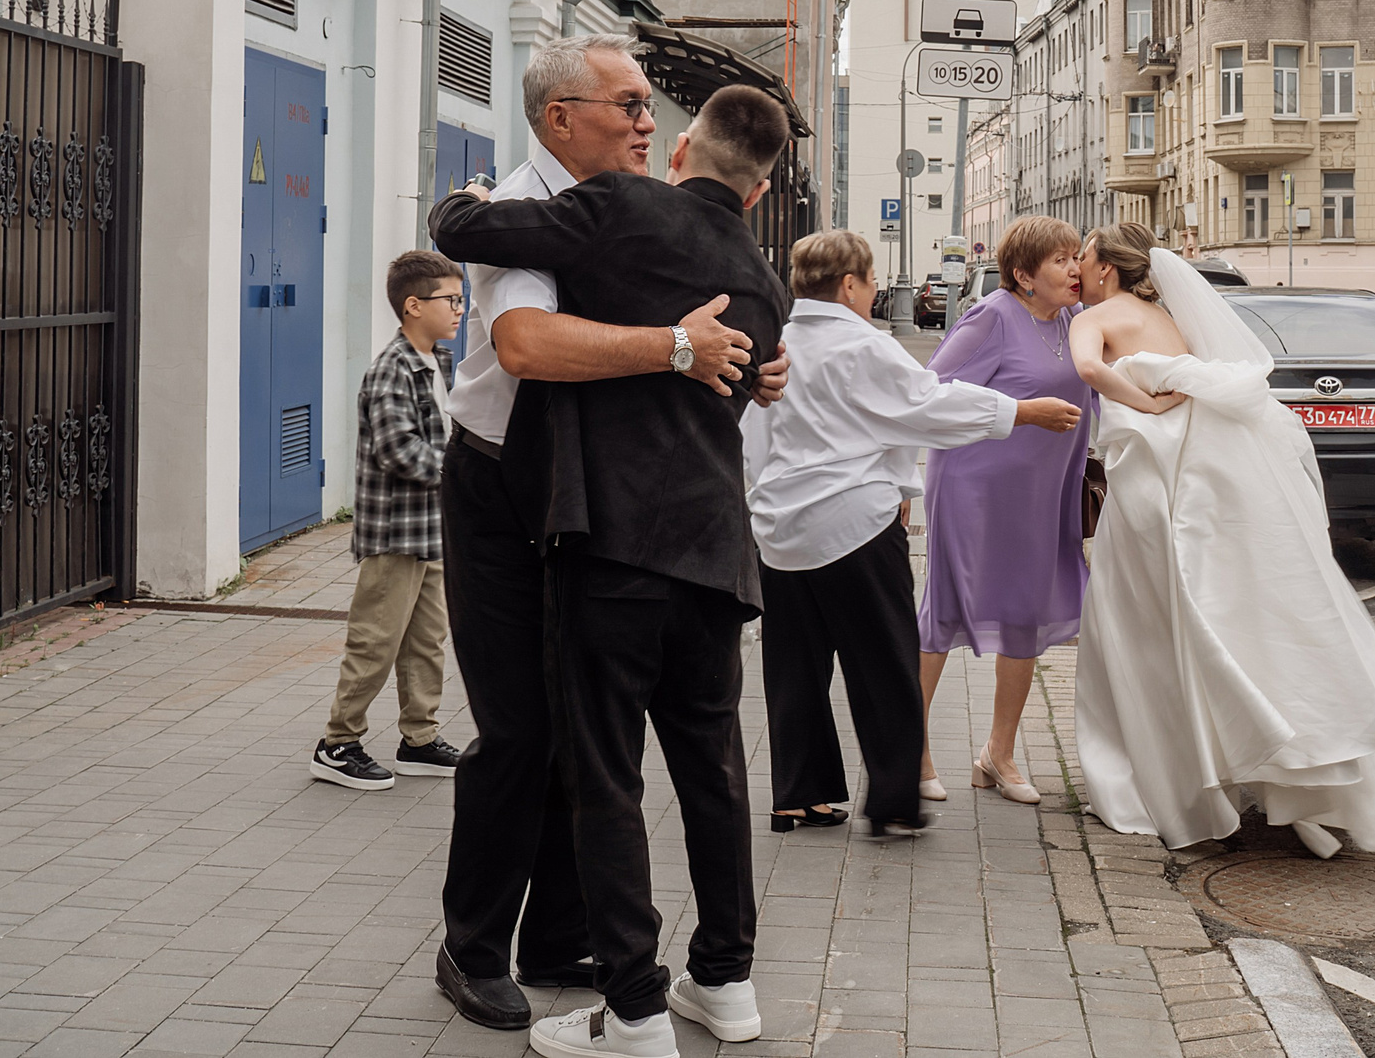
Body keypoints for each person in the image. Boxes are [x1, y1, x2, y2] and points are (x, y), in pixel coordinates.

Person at [432, 84, 794, 1058]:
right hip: (716, 551)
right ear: (758, 193)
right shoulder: (767, 280)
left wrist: (462, 198)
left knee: (605, 774)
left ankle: (632, 1009)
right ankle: (724, 979)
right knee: (714, 770)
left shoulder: (623, 204)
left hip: (612, 544)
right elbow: (728, 399)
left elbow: (465, 226)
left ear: (680, 149)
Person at [1067, 221, 1375, 853]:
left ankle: (1163, 780)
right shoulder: (1170, 319)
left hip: (1148, 484)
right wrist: (1167, 399)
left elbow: (1089, 368)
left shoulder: (1096, 317)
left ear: (1107, 268)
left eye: (1082, 259)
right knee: (1210, 617)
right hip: (1199, 476)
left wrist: (1144, 405)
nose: (1076, 270)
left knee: (1138, 629)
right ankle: (1254, 757)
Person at [743, 230, 1079, 837]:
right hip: (851, 522)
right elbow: (925, 404)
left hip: (781, 529)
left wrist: (757, 509)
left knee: (794, 666)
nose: (874, 294)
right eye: (871, 282)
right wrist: (1020, 412)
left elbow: (752, 440)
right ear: (849, 285)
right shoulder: (864, 346)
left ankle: (799, 794)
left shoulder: (779, 344)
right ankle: (895, 801)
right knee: (885, 664)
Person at [915, 214, 1097, 808]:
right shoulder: (992, 315)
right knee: (944, 609)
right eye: (1061, 259)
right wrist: (1019, 409)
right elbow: (928, 391)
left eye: (1077, 256)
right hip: (973, 483)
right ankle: (911, 750)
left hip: (1043, 490)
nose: (1076, 268)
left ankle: (998, 755)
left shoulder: (1074, 321)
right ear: (1022, 274)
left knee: (1025, 611)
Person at [308, 250, 466, 792]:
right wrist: (463, 476)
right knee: (376, 640)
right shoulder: (392, 369)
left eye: (462, 299)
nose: (460, 309)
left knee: (427, 640)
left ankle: (418, 740)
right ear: (413, 305)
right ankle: (337, 743)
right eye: (451, 299)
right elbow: (400, 450)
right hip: (397, 533)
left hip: (432, 530)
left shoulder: (436, 362)